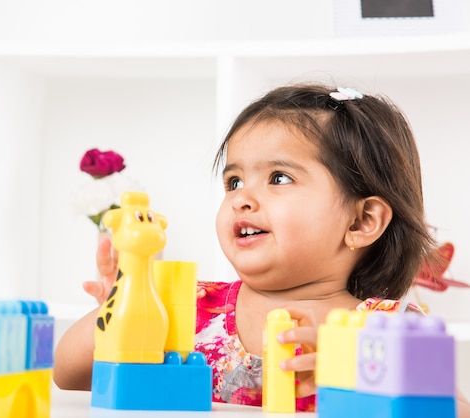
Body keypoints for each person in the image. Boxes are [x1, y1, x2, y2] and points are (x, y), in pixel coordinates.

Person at [54, 82, 470, 416]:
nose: (242, 198)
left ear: (362, 222)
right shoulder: (188, 307)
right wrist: (123, 309)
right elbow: (67, 373)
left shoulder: (389, 330)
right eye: (234, 181)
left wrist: (366, 375)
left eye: (279, 178)